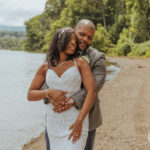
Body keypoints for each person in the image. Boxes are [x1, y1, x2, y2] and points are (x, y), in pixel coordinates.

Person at [27, 27, 97, 149]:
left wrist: (79, 121)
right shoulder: (45, 67)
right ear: (59, 41)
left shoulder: (80, 63)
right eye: (70, 40)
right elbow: (30, 95)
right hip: (54, 122)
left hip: (75, 120)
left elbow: (92, 92)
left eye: (75, 40)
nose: (74, 43)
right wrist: (49, 92)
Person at [43, 19, 106, 150]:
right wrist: (51, 97)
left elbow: (94, 87)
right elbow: (45, 80)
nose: (85, 39)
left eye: (90, 37)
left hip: (85, 119)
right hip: (56, 118)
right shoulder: (55, 54)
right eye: (82, 34)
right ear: (74, 31)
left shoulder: (97, 58)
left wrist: (70, 102)